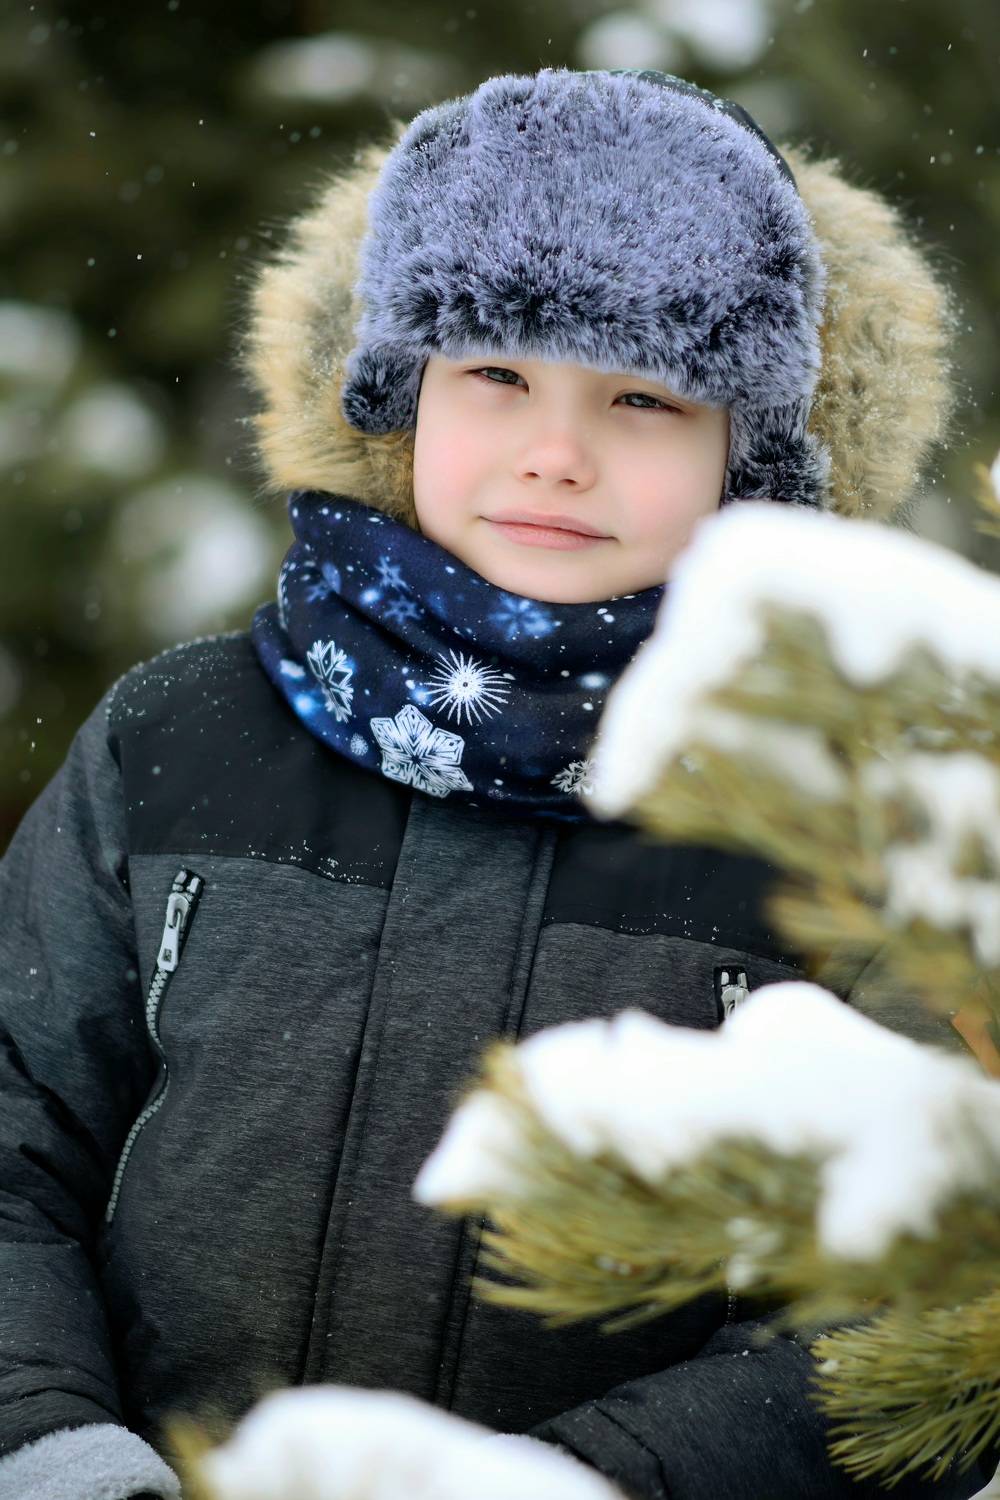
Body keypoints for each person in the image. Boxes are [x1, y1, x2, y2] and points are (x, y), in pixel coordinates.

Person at [0, 66, 993, 1500]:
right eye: (498, 375)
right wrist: (50, 1446)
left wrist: (598, 1482)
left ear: (754, 453)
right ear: (398, 393)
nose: (556, 454)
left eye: (643, 396)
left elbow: (928, 1301)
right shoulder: (177, 740)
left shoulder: (840, 817)